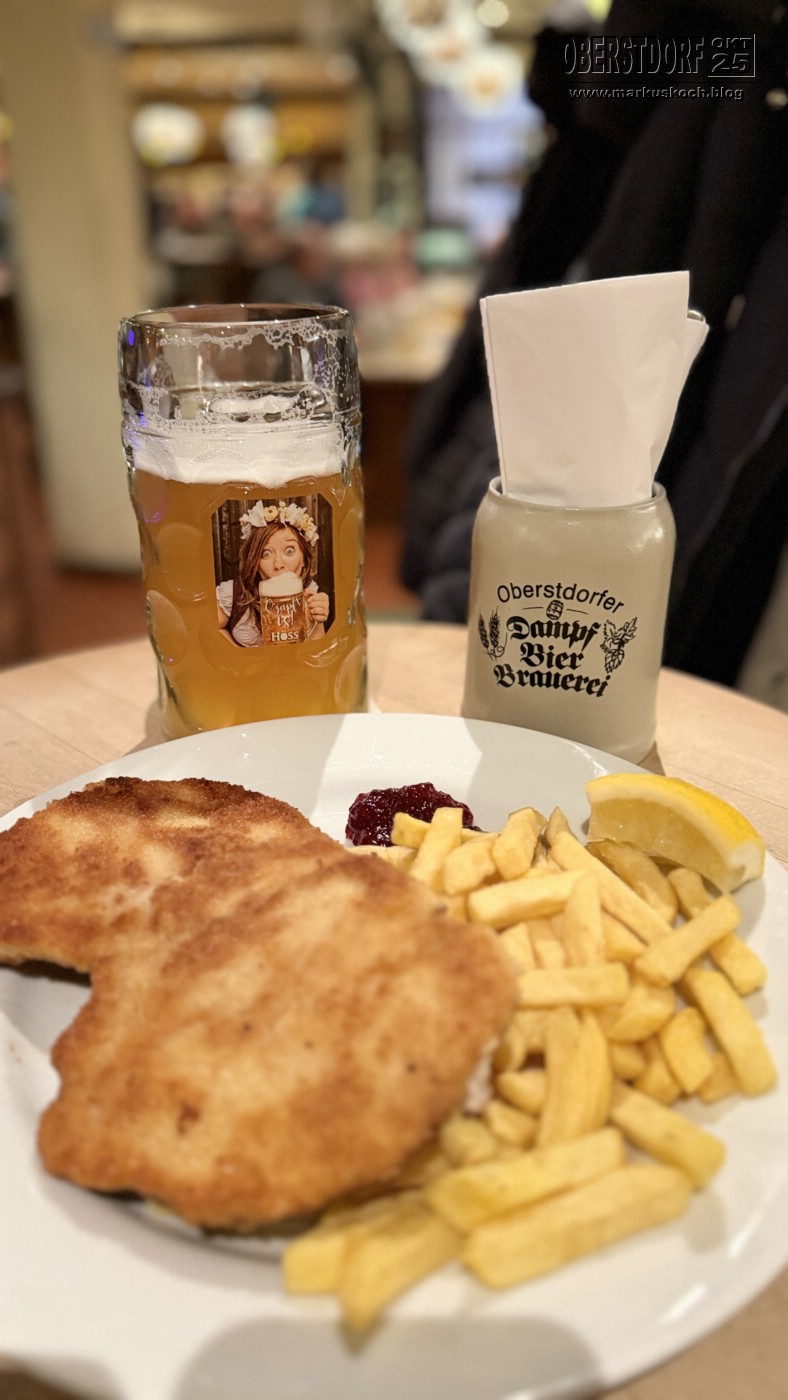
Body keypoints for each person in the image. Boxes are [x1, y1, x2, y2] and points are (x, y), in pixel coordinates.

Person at [217, 501, 329, 647]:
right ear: (255, 563)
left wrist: (316, 621)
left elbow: (316, 652)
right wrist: (239, 654)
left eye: (289, 550)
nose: (278, 564)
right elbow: (205, 627)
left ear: (304, 559)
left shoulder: (309, 593)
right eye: (265, 553)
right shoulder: (234, 593)